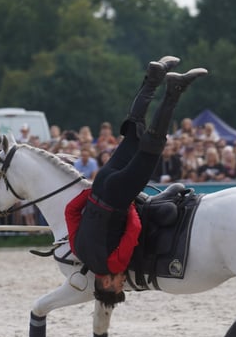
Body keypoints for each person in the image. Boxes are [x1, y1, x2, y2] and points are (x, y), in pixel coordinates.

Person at [65, 56, 207, 303]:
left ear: (107, 282)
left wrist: (129, 205)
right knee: (133, 133)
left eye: (119, 285)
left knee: (153, 144)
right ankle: (154, 77)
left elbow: (135, 229)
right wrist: (90, 193)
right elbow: (71, 211)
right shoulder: (79, 251)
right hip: (100, 185)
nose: (122, 282)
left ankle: (174, 89)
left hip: (118, 198)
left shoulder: (115, 263)